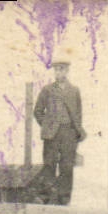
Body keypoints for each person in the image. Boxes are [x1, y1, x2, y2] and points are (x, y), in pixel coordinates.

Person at [33, 59, 84, 206]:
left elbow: (78, 114)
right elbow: (37, 111)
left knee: (67, 166)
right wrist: (47, 125)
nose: (58, 72)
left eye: (61, 69)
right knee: (49, 163)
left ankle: (64, 199)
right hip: (52, 133)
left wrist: (75, 132)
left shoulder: (74, 91)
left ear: (67, 71)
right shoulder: (47, 90)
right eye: (56, 70)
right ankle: (45, 196)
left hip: (68, 132)